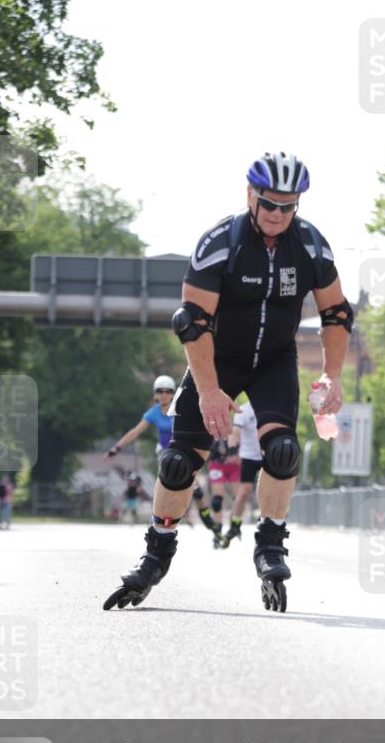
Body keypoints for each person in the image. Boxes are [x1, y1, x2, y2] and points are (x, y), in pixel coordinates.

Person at [104, 151, 351, 613]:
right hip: (216, 360)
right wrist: (211, 391)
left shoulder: (312, 245)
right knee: (179, 462)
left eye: (288, 205)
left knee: (282, 451)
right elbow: (191, 321)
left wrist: (331, 375)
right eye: (270, 204)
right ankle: (157, 551)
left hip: (276, 360)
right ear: (250, 196)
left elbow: (336, 313)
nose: (278, 214)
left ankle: (270, 544)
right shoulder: (221, 242)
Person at [106, 375, 219, 536]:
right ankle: (161, 521)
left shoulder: (181, 407)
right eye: (160, 391)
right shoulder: (153, 412)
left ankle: (207, 519)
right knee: (170, 479)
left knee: (196, 490)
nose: (164, 395)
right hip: (165, 453)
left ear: (173, 394)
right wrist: (116, 449)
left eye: (168, 391)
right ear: (155, 394)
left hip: (185, 451)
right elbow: (135, 431)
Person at [221, 398, 262, 548]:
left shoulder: (269, 405)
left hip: (267, 455)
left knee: (264, 491)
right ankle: (234, 525)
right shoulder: (243, 410)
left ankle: (267, 523)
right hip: (249, 456)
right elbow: (235, 432)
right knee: (244, 492)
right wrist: (232, 449)